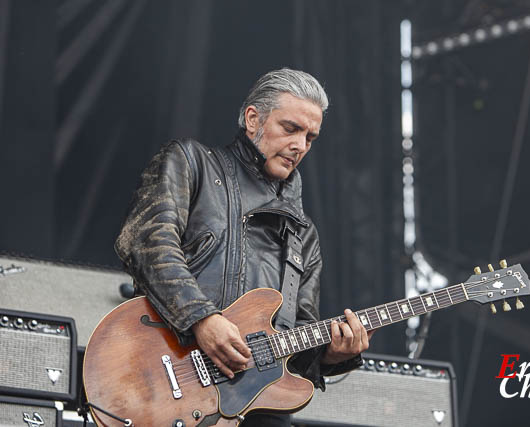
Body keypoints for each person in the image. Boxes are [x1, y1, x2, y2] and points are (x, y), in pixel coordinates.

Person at [114, 68, 373, 426]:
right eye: (291, 128)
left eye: (311, 137)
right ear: (253, 119)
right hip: (164, 383)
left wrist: (331, 355)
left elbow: (295, 344)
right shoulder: (192, 163)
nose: (301, 146)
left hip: (257, 411)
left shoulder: (304, 234)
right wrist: (201, 319)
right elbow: (146, 243)